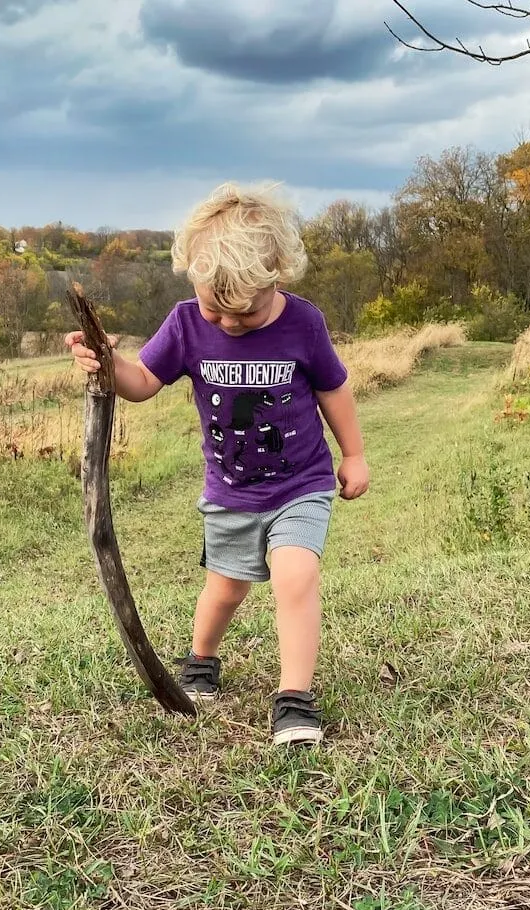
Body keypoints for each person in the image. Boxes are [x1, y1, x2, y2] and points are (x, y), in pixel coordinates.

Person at [66, 182, 369, 746]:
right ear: (193, 281)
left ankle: (295, 699)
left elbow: (335, 389)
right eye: (215, 308)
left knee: (295, 576)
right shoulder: (185, 324)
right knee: (225, 589)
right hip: (230, 492)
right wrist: (106, 359)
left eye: (246, 312)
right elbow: (141, 384)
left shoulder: (303, 324)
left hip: (300, 484)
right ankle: (202, 658)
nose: (228, 323)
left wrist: (352, 453)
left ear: (276, 275)